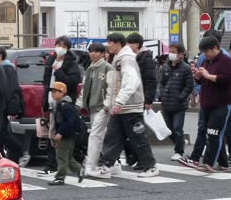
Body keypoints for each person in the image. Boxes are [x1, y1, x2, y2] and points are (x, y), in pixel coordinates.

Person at [94, 33, 159, 179]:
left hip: (130, 107)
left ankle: (151, 166)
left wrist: (119, 101)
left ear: (118, 43)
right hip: (123, 107)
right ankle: (106, 166)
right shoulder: (119, 58)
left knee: (137, 138)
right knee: (113, 137)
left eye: (110, 42)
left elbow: (131, 81)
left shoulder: (126, 59)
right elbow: (114, 84)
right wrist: (111, 104)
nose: (108, 46)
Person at [180, 29, 230, 169]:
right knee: (211, 133)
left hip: (221, 103)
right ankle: (223, 163)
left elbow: (226, 80)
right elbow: (203, 81)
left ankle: (208, 163)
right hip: (207, 103)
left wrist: (208, 75)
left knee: (214, 133)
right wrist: (198, 77)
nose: (205, 55)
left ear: (215, 48)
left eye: (207, 51)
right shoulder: (208, 61)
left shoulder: (226, 60)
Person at [39, 36, 83, 175]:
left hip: (64, 103)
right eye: (59, 45)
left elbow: (73, 82)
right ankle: (54, 164)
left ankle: (55, 165)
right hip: (51, 101)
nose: (60, 48)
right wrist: (44, 101)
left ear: (68, 49)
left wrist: (59, 71)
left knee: (61, 132)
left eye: (64, 46)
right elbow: (46, 82)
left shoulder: (71, 63)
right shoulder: (51, 60)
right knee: (51, 131)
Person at [79, 42, 113, 178]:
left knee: (95, 135)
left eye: (96, 51)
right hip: (92, 107)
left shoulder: (107, 67)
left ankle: (91, 165)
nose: (93, 54)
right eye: (91, 51)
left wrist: (107, 104)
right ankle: (112, 163)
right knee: (100, 135)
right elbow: (84, 89)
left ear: (103, 53)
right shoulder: (90, 68)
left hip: (102, 107)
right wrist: (80, 103)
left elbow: (111, 88)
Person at [123, 33, 157, 168]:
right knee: (132, 131)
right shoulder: (132, 57)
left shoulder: (146, 59)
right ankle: (136, 158)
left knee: (138, 131)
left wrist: (148, 100)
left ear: (137, 45)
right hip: (132, 98)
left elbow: (150, 80)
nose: (127, 46)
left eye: (129, 44)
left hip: (140, 98)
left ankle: (143, 160)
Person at [158, 43, 194, 162]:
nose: (171, 54)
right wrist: (162, 93)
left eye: (174, 52)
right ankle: (181, 142)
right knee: (168, 130)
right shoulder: (165, 67)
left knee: (177, 128)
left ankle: (179, 151)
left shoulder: (186, 68)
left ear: (181, 54)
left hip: (179, 105)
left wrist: (181, 97)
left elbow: (189, 86)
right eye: (170, 52)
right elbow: (161, 82)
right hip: (166, 104)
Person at [0, 46, 28, 166]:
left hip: (5, 107)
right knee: (0, 135)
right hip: (1, 107)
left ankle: (21, 151)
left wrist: (10, 108)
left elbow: (11, 90)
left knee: (3, 134)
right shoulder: (2, 68)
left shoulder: (7, 69)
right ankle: (4, 159)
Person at [48, 81, 85, 185]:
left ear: (62, 93)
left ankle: (60, 177)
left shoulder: (65, 105)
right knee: (68, 158)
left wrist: (60, 133)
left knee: (61, 157)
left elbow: (70, 121)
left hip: (65, 136)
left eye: (55, 92)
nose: (52, 94)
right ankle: (79, 169)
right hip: (68, 135)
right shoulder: (61, 104)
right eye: (52, 92)